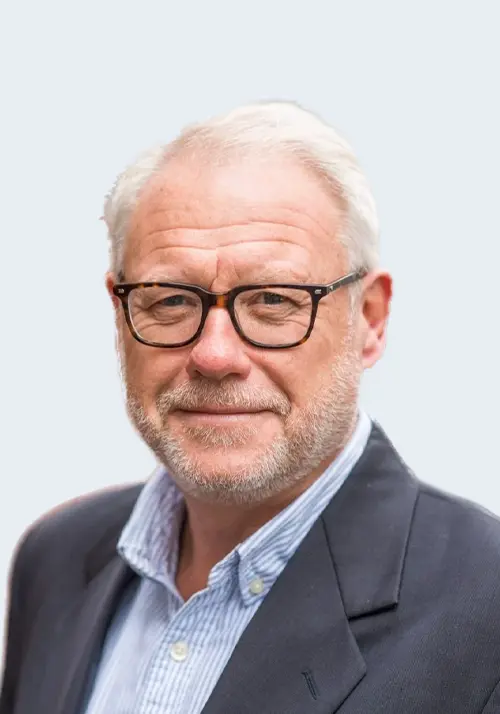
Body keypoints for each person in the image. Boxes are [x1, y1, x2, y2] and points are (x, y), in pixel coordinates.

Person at [2, 102, 500, 714]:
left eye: (273, 300)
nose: (215, 355)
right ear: (120, 313)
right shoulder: (55, 560)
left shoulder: (486, 609)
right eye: (170, 300)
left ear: (369, 319)